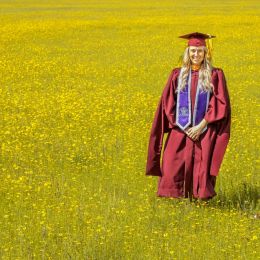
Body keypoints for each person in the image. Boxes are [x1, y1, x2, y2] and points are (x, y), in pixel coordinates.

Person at [145, 32, 231, 201]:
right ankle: (177, 201)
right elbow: (167, 103)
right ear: (187, 52)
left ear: (206, 53)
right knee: (172, 164)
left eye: (200, 51)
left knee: (201, 167)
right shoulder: (177, 75)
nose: (196, 54)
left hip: (204, 131)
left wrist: (200, 126)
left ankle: (197, 201)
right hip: (181, 128)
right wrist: (181, 124)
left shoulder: (215, 75)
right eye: (192, 51)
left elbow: (220, 104)